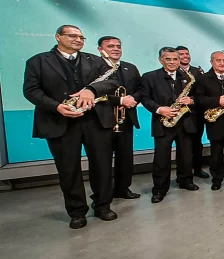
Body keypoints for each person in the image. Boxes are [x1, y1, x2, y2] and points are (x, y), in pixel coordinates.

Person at [23, 25, 120, 229]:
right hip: (60, 121)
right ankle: (77, 212)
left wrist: (91, 90)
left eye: (81, 37)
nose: (78, 39)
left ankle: (103, 205)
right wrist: (56, 106)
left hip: (95, 121)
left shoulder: (94, 60)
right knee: (68, 169)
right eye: (72, 35)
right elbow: (31, 91)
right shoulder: (38, 61)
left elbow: (112, 82)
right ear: (58, 36)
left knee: (102, 166)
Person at [140, 47, 199, 204]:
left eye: (175, 59)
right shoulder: (149, 77)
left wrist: (191, 100)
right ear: (161, 60)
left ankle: (185, 180)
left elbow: (198, 95)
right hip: (163, 122)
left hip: (184, 122)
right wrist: (160, 109)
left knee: (186, 155)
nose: (172, 62)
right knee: (161, 158)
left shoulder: (188, 76)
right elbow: (145, 98)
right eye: (168, 59)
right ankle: (159, 189)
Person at [97, 36, 142, 199]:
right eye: (110, 46)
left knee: (125, 157)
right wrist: (119, 100)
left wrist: (131, 100)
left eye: (118, 46)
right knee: (103, 160)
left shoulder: (130, 67)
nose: (116, 49)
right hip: (101, 121)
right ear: (100, 49)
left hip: (125, 119)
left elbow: (140, 89)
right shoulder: (95, 67)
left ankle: (123, 188)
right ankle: (104, 193)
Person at [196, 51, 224, 190]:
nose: (222, 63)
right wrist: (217, 100)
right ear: (212, 62)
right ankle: (217, 179)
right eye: (218, 61)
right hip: (215, 121)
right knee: (216, 153)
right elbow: (198, 99)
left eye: (223, 60)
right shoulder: (203, 79)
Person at [176, 46, 208, 179]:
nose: (185, 56)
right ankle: (182, 173)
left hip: (196, 113)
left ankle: (198, 169)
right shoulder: (173, 71)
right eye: (181, 54)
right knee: (182, 146)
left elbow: (204, 92)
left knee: (197, 143)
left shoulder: (198, 72)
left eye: (187, 54)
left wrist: (192, 100)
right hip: (178, 114)